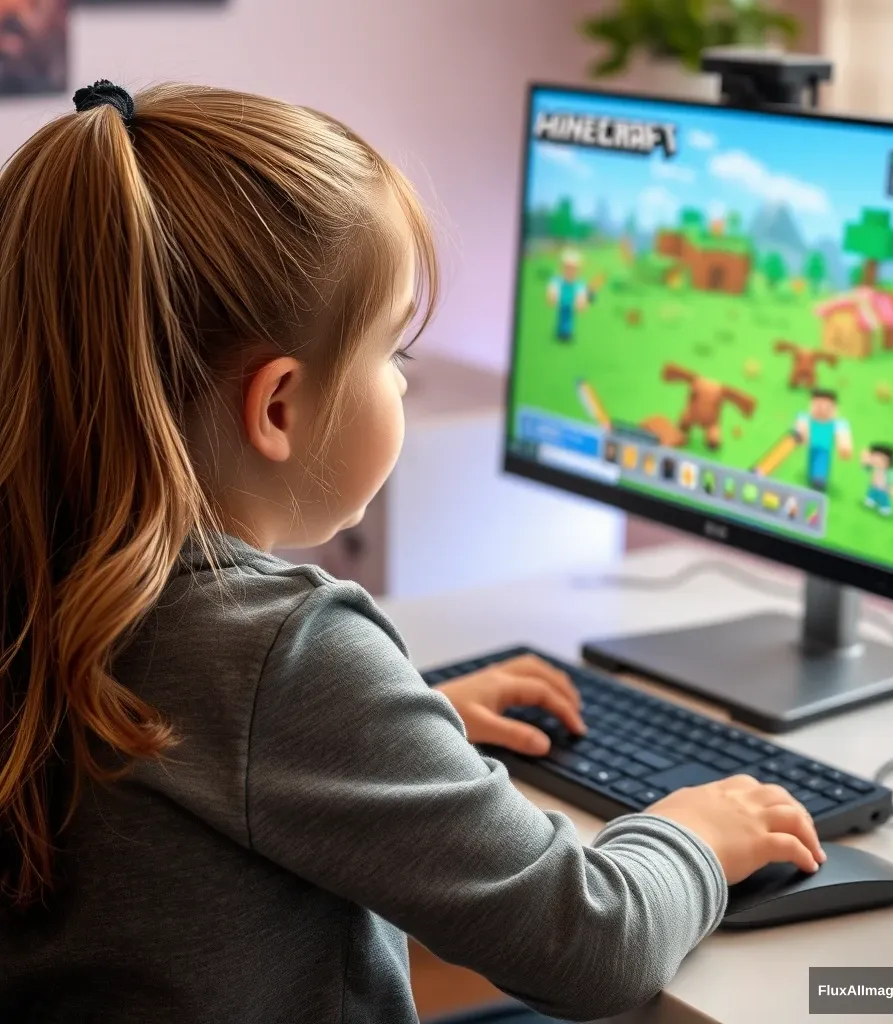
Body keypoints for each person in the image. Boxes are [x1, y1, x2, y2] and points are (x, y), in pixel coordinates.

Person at [0, 81, 825, 1024]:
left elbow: (210, 756)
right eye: (397, 351)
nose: (402, 380)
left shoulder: (43, 576)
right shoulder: (288, 655)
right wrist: (694, 834)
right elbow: (593, 945)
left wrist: (407, 723)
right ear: (278, 407)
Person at [794, 388, 853, 491]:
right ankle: (813, 479)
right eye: (817, 405)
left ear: (834, 407)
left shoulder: (838, 424)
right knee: (812, 462)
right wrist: (801, 436)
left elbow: (843, 440)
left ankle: (819, 480)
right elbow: (799, 433)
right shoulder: (805, 418)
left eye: (827, 406)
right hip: (811, 447)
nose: (821, 409)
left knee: (821, 461)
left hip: (823, 450)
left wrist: (844, 448)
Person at [546, 248, 590, 341]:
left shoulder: (579, 283)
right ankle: (561, 331)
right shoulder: (558, 280)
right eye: (567, 268)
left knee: (569, 318)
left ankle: (567, 332)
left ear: (578, 269)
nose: (570, 271)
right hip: (562, 302)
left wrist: (581, 302)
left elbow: (581, 294)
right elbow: (553, 288)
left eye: (573, 268)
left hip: (571, 303)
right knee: (562, 316)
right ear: (562, 267)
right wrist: (552, 296)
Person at [862, 444, 893, 516]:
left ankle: (885, 507)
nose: (876, 460)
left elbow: (892, 482)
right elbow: (866, 467)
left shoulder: (889, 473)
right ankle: (871, 501)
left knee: (884, 499)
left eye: (879, 458)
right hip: (873, 487)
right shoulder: (874, 468)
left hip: (883, 489)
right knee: (871, 494)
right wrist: (864, 458)